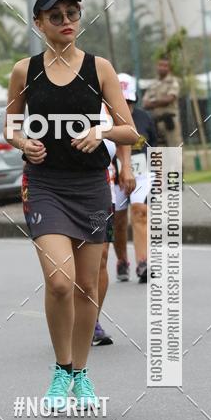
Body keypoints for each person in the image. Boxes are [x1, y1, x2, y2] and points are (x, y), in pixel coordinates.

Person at [6, 0, 138, 412]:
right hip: (45, 186)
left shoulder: (98, 68)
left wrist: (100, 131)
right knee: (59, 282)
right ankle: (61, 367)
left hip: (90, 186)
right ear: (38, 23)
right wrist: (23, 142)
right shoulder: (24, 71)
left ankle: (80, 372)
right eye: (56, 16)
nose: (66, 23)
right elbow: (10, 125)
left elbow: (130, 130)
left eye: (72, 14)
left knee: (86, 286)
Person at [113, 73, 158, 283]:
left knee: (140, 212)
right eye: (121, 100)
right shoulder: (106, 120)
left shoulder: (144, 118)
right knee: (119, 221)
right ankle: (122, 260)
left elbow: (154, 148)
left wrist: (160, 176)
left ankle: (144, 262)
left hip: (142, 175)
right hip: (115, 178)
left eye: (129, 100)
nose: (126, 105)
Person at [93, 133, 134, 345]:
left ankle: (92, 322)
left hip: (100, 186)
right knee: (71, 260)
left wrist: (126, 165)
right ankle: (71, 316)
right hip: (62, 187)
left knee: (100, 256)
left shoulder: (108, 102)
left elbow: (126, 130)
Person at [142, 55, 181, 146]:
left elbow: (170, 99)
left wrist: (153, 102)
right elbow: (145, 104)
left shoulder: (173, 82)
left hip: (170, 122)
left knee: (174, 153)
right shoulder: (153, 84)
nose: (162, 68)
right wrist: (160, 101)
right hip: (155, 123)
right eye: (160, 65)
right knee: (157, 155)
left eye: (165, 65)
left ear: (169, 68)